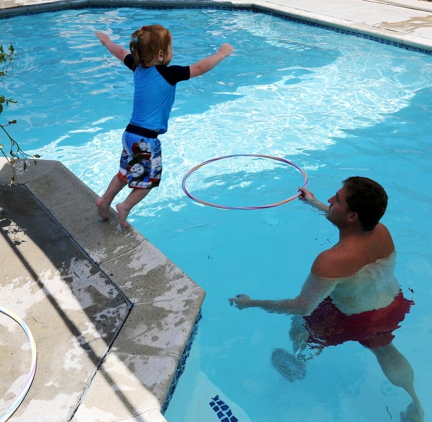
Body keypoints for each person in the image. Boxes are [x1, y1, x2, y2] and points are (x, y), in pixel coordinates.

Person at [229, 176, 423, 422]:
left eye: (337, 200)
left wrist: (252, 303)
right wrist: (317, 204)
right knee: (386, 351)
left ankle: (297, 360)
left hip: (358, 318)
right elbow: (352, 228)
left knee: (300, 324)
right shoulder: (381, 231)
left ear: (352, 215)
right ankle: (416, 403)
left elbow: (302, 306)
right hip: (392, 303)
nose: (331, 199)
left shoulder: (331, 261)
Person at [95, 25, 233, 228]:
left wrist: (106, 41)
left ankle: (104, 199)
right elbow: (199, 68)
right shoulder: (169, 74)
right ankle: (125, 206)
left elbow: (121, 52)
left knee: (125, 173)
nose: (172, 52)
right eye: (170, 48)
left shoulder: (137, 67)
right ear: (161, 54)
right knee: (149, 181)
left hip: (130, 133)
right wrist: (222, 53)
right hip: (146, 140)